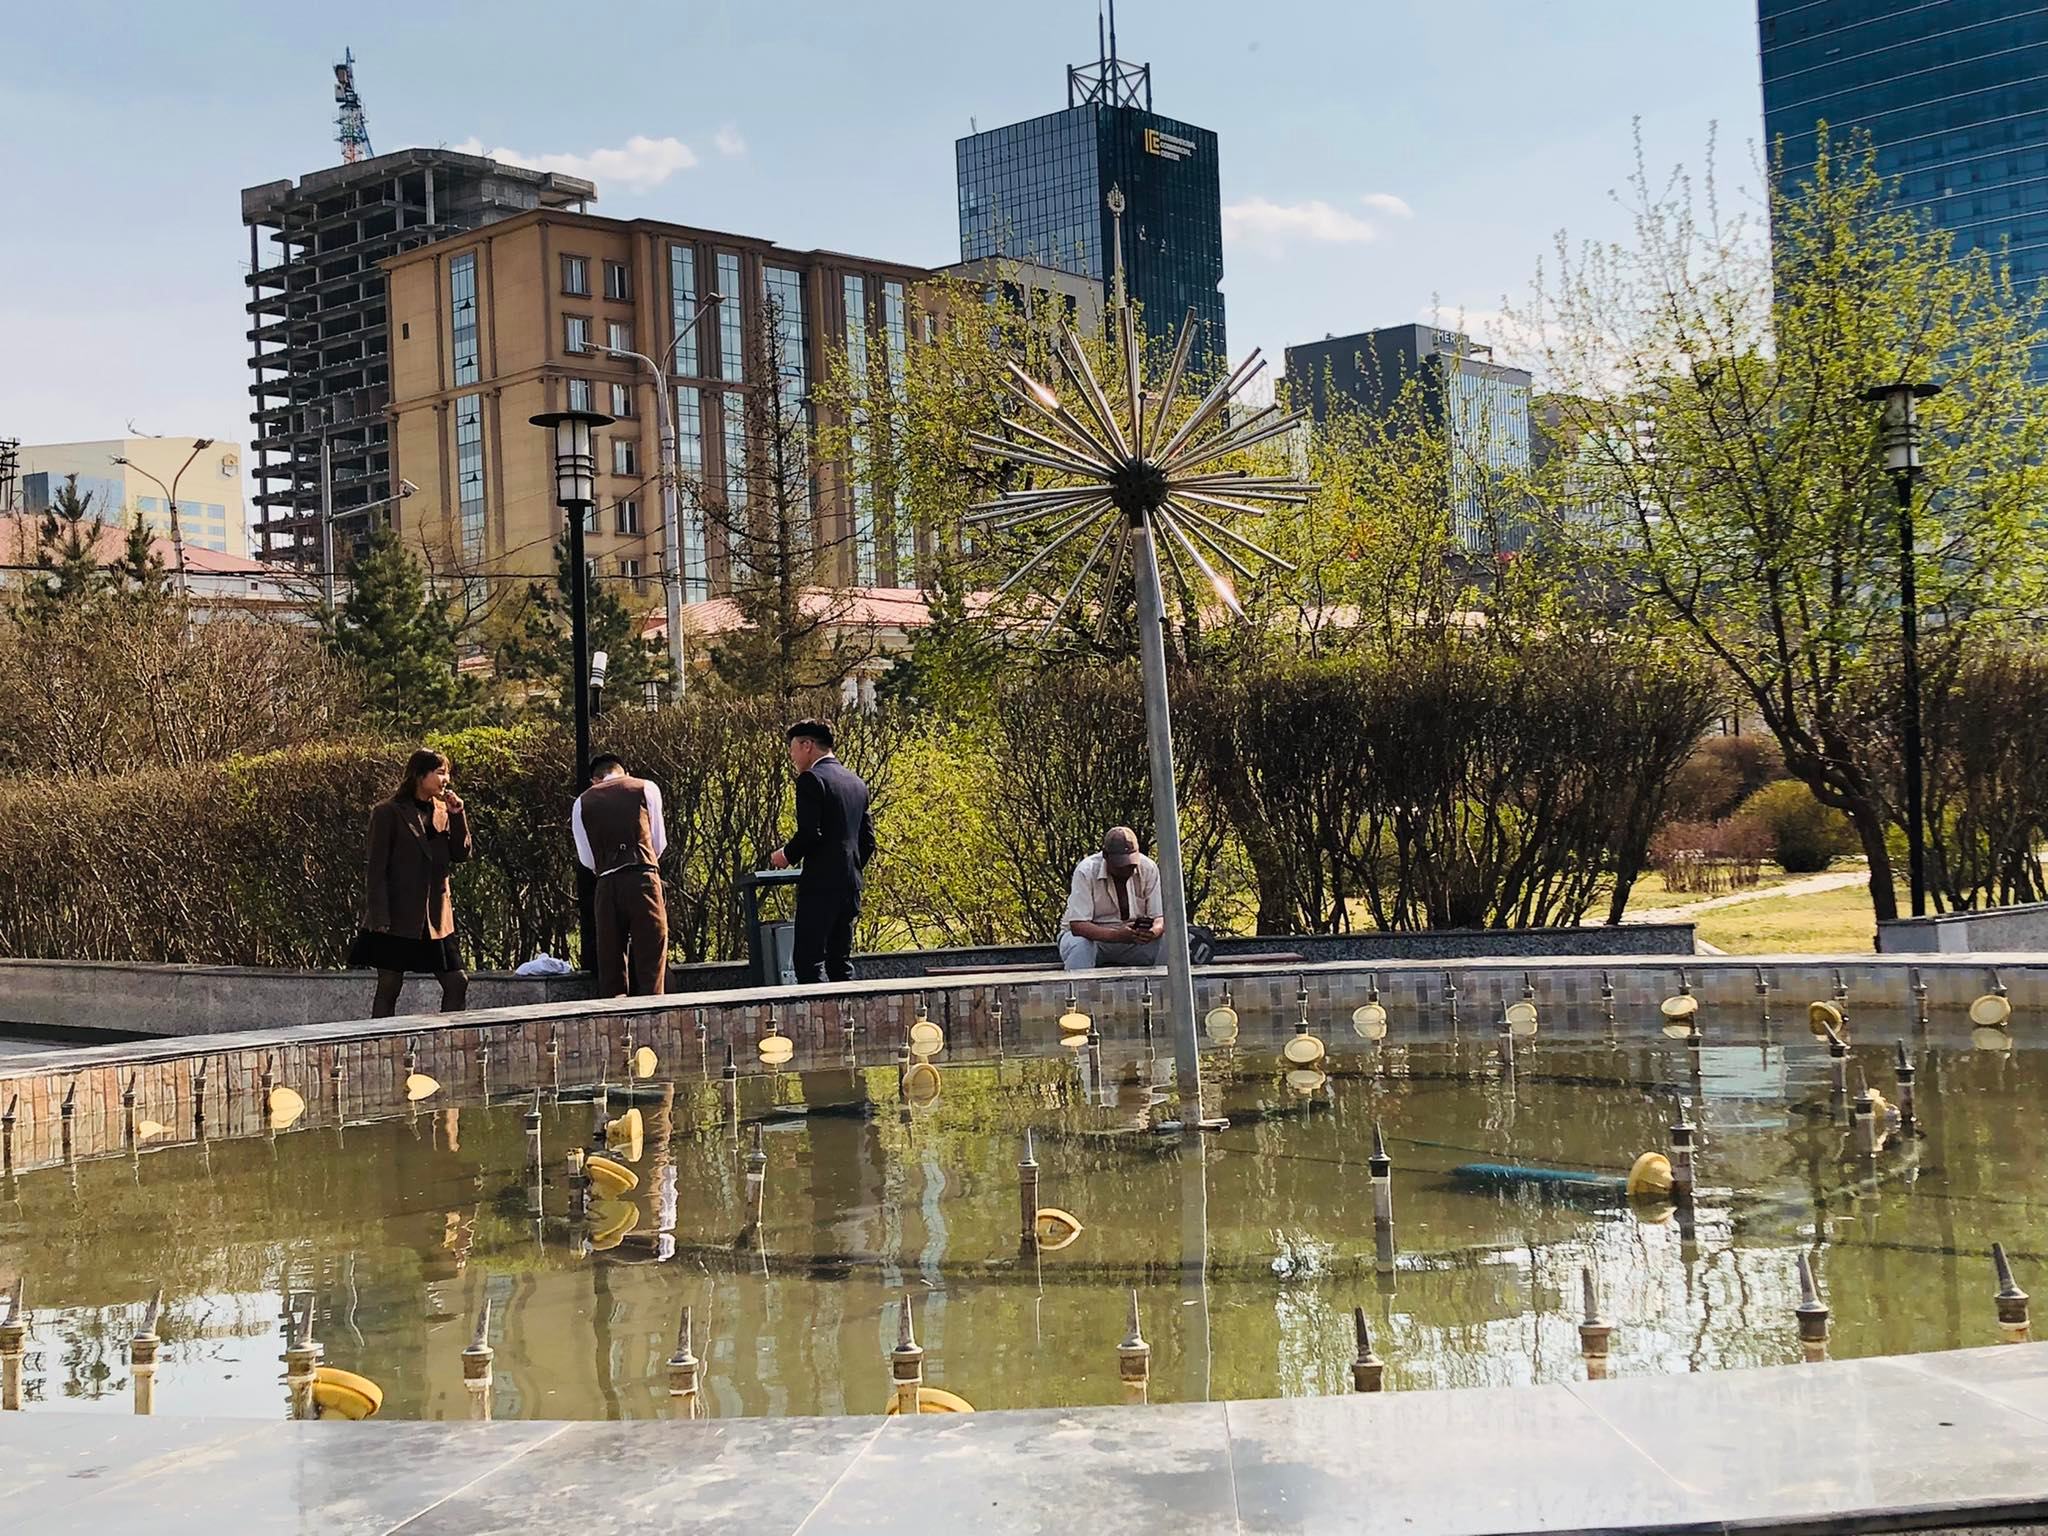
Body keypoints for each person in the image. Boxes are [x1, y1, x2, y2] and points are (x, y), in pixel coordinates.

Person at [350, 748, 472, 1017]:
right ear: (419, 775)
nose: (446, 779)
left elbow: (461, 853)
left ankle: (447, 1035)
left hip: (436, 919)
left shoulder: (444, 810)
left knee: (457, 982)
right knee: (390, 985)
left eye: (447, 773)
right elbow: (376, 869)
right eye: (440, 772)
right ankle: (382, 1037)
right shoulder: (387, 812)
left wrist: (457, 815)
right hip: (397, 917)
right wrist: (380, 916)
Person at [768, 719, 875, 982]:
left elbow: (809, 833)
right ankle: (848, 1007)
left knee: (808, 960)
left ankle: (816, 1009)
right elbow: (868, 841)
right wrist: (849, 868)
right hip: (850, 884)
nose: (792, 756)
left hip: (820, 885)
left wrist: (786, 855)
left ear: (807, 745)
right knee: (840, 961)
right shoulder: (856, 783)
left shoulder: (811, 779)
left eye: (793, 748)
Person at [572, 753, 670, 997]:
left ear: (595, 780)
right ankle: (652, 1009)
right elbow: (659, 843)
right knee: (651, 956)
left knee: (611, 960)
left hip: (607, 883)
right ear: (624, 771)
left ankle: (616, 1013)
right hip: (643, 876)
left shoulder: (582, 803)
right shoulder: (645, 788)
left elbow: (587, 858)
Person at [1060, 826, 1164, 970]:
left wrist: (1152, 932)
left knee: (1172, 942)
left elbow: (1159, 917)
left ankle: (1166, 984)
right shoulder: (1086, 871)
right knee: (1080, 946)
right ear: (1105, 856)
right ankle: (1080, 984)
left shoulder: (1148, 868)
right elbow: (1078, 925)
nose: (1126, 870)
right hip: (1094, 941)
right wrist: (1116, 935)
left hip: (1134, 942)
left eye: (1131, 865)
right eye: (1120, 865)